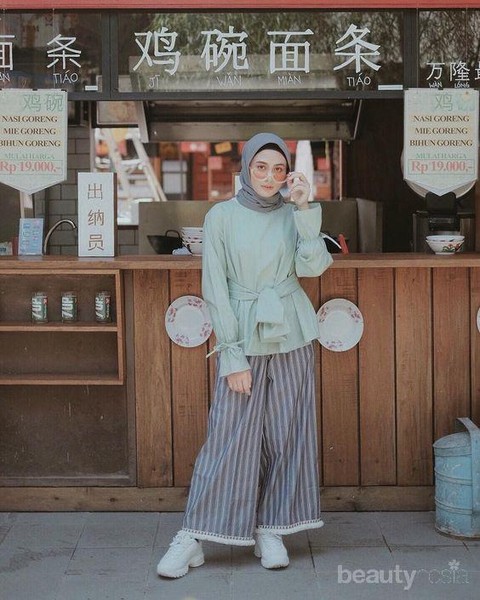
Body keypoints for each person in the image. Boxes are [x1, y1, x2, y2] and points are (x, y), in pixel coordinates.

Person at [157, 132, 333, 579]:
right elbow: (215, 290)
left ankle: (271, 529)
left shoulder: (293, 213)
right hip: (243, 334)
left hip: (291, 332)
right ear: (247, 168)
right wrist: (232, 357)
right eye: (261, 167)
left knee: (287, 433)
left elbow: (313, 266)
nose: (270, 177)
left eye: (279, 169)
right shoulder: (221, 216)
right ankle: (193, 535)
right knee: (229, 436)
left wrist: (305, 209)